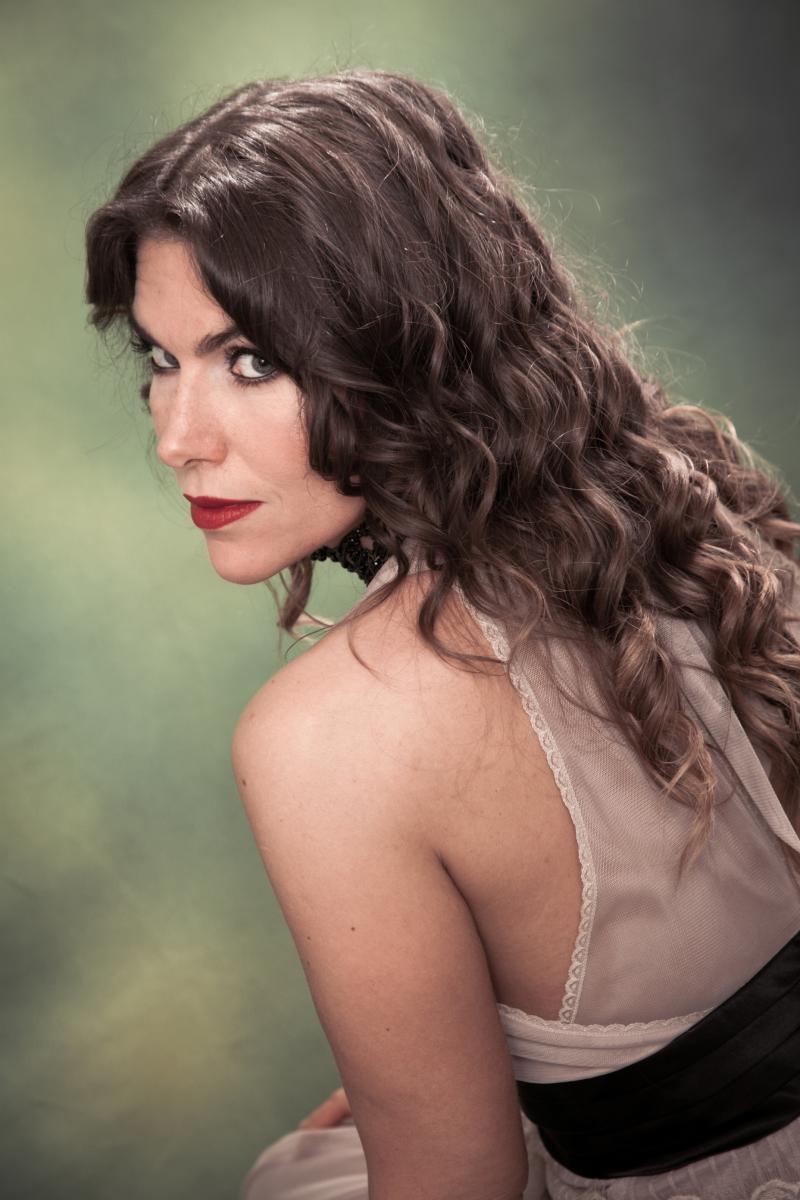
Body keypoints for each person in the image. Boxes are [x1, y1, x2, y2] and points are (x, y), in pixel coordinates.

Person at [84, 68, 800, 1200]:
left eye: (250, 360)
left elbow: (452, 1182)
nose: (179, 437)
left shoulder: (330, 735)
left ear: (400, 344)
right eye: (162, 361)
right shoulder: (686, 504)